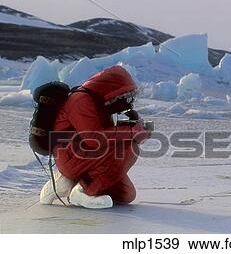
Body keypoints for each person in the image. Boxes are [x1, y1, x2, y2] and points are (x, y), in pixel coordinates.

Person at [39, 66, 150, 209]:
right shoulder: (80, 100)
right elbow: (93, 138)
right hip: (69, 155)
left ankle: (68, 181)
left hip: (85, 157)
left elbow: (108, 136)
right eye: (124, 96)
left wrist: (134, 129)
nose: (127, 101)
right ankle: (84, 192)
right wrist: (131, 132)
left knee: (125, 195)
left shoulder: (102, 104)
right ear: (112, 90)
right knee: (129, 148)